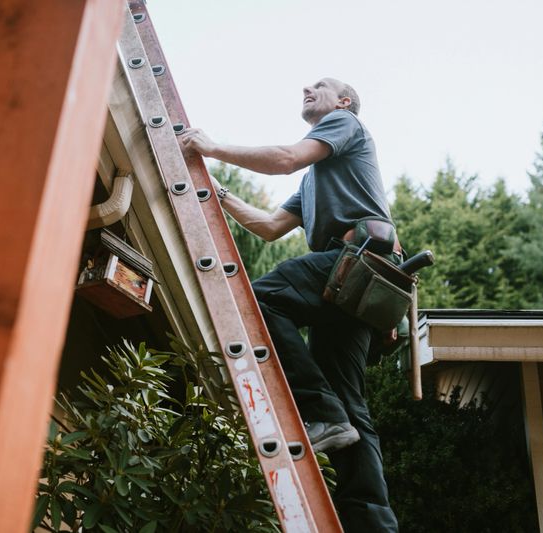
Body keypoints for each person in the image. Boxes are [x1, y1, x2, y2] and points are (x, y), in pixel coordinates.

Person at [181, 77, 400, 532]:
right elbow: (267, 225)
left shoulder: (346, 124)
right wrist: (211, 187)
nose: (306, 86)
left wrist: (212, 148)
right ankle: (373, 522)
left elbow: (284, 159)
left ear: (343, 102)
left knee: (260, 299)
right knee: (351, 408)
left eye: (319, 84)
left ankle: (320, 411)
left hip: (356, 266)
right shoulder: (316, 179)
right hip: (352, 287)